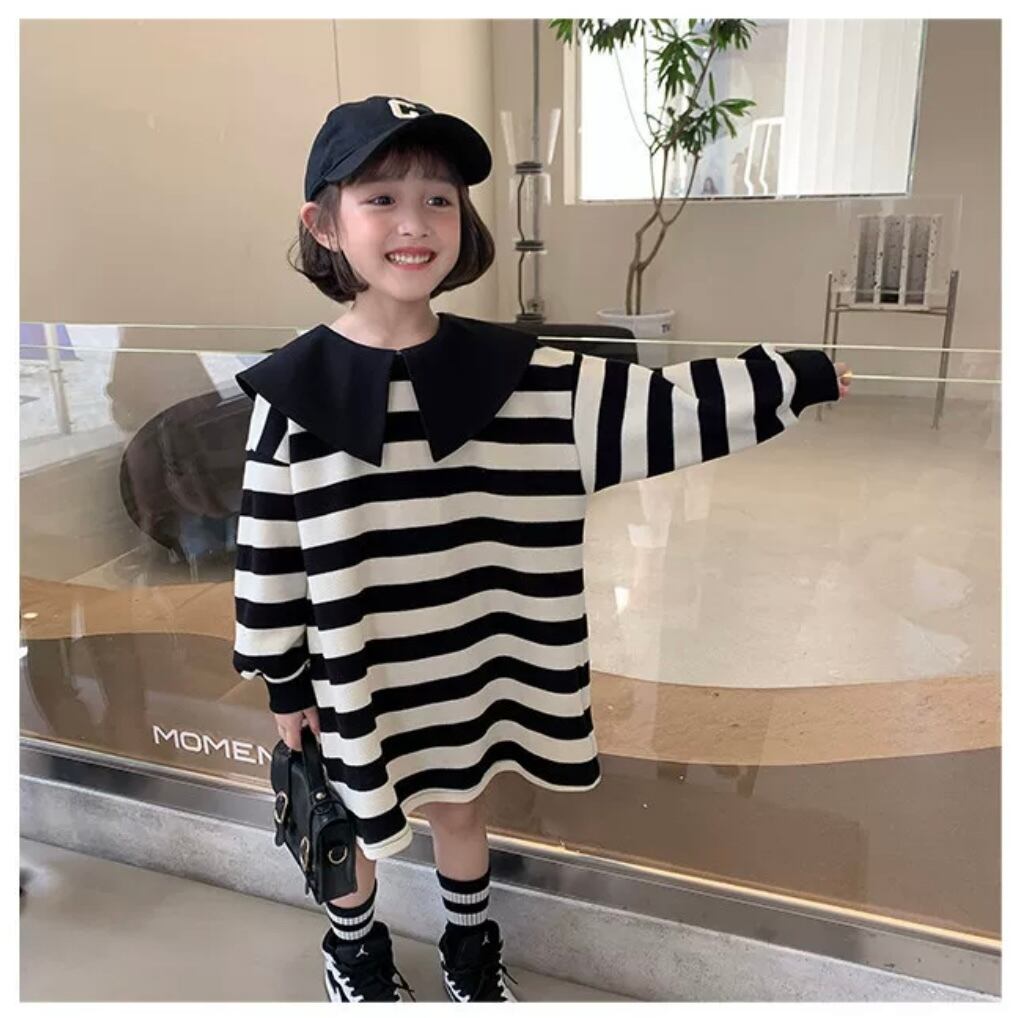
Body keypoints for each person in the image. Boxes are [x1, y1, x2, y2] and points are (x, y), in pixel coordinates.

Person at [231, 94, 853, 1005]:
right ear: (323, 225)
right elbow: (267, 551)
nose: (415, 223)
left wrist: (794, 375)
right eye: (381, 198)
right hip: (353, 671)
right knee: (352, 822)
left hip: (469, 663)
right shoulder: (292, 391)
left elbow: (667, 407)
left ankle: (469, 949)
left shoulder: (524, 376)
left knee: (461, 806)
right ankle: (353, 952)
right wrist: (286, 685)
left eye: (439, 199)